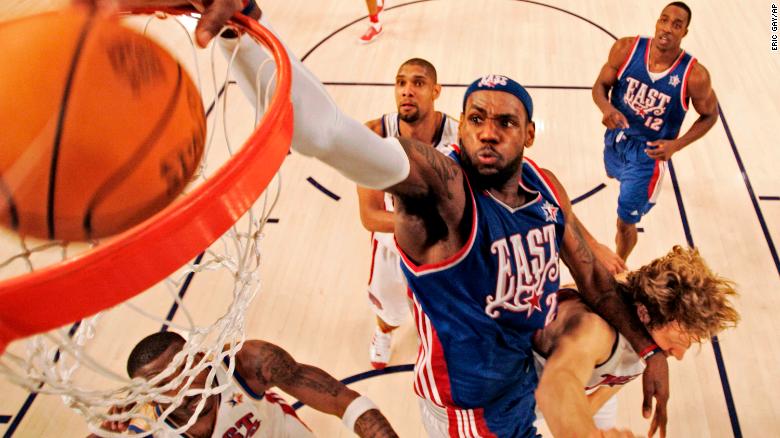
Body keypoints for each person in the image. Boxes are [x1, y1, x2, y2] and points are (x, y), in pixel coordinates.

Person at [86, 1, 673, 436]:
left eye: (505, 121)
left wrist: (648, 352)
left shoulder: (544, 186)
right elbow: (324, 134)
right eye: (476, 117)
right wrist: (239, 34)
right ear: (459, 123)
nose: (488, 131)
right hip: (468, 409)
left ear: (529, 134)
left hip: (518, 377)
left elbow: (595, 276)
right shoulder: (442, 188)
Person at [533, 246, 739, 437]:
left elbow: (606, 387)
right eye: (673, 344)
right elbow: (558, 383)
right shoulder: (595, 330)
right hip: (516, 393)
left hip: (585, 384)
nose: (678, 355)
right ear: (643, 314)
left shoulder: (646, 314)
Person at [592, 1, 718, 263]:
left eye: (677, 24)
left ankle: (619, 265)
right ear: (657, 21)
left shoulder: (694, 75)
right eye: (664, 20)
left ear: (684, 32)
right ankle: (623, 179)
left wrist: (677, 145)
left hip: (648, 157)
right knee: (611, 172)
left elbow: (710, 115)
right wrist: (605, 107)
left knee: (624, 222)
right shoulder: (626, 49)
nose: (668, 28)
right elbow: (601, 85)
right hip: (617, 139)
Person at [91, 332, 398, 437]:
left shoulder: (246, 363)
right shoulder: (143, 428)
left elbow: (339, 398)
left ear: (199, 356)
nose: (184, 388)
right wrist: (104, 431)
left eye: (186, 369)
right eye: (164, 385)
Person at [359, 58, 458, 369]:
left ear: (436, 90)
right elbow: (370, 216)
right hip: (393, 245)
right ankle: (383, 332)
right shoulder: (374, 134)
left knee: (444, 310)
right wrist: (424, 223)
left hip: (444, 247)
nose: (407, 91)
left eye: (418, 83)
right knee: (390, 311)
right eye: (401, 83)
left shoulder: (458, 137)